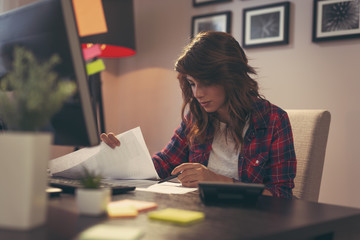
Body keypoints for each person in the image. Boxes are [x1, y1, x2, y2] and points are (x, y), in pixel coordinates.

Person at [101, 31, 296, 199]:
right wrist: (119, 158)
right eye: (192, 83)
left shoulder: (273, 121)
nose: (197, 94)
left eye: (206, 83)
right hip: (200, 218)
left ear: (231, 78)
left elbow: (281, 195)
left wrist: (218, 181)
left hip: (251, 223)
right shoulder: (196, 118)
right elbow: (162, 164)